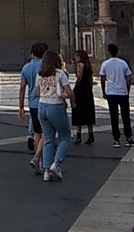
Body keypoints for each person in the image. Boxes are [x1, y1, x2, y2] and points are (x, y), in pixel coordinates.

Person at [36, 50, 75, 182]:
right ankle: (56, 164)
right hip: (55, 106)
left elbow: (37, 92)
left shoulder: (40, 74)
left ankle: (46, 171)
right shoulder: (60, 74)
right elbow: (69, 91)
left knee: (48, 139)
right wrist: (72, 102)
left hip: (42, 106)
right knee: (65, 137)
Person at [18, 42, 49, 173]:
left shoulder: (26, 68)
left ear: (32, 53)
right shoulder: (46, 66)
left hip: (33, 104)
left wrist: (21, 107)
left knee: (37, 133)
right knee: (47, 134)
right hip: (47, 102)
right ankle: (41, 160)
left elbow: (22, 88)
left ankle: (39, 161)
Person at [99, 43, 134, 147]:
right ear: (117, 51)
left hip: (111, 93)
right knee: (125, 116)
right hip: (123, 93)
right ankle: (128, 138)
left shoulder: (105, 64)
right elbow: (128, 78)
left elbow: (102, 78)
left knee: (113, 116)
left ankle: (116, 140)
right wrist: (128, 90)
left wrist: (103, 91)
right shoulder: (123, 63)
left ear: (108, 52)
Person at [72, 50, 96, 145]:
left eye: (76, 56)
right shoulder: (88, 66)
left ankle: (78, 136)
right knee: (88, 113)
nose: (75, 58)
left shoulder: (80, 65)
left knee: (79, 113)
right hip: (87, 91)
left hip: (80, 91)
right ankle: (91, 135)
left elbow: (79, 77)